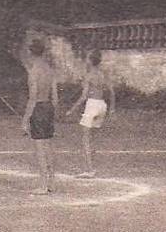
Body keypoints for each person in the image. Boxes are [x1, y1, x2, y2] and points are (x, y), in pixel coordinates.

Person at [64, 49, 115, 178]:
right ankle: (92, 167)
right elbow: (112, 92)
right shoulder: (104, 75)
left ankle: (89, 169)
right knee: (93, 139)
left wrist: (72, 109)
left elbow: (84, 96)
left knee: (86, 139)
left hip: (92, 105)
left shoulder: (89, 75)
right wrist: (112, 108)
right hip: (102, 105)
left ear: (91, 61)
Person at [22, 38, 58, 195]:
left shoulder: (33, 72)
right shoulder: (50, 70)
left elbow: (33, 97)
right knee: (48, 146)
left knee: (39, 147)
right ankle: (51, 182)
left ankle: (43, 184)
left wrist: (25, 119)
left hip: (38, 108)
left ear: (31, 52)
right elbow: (55, 97)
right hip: (49, 106)